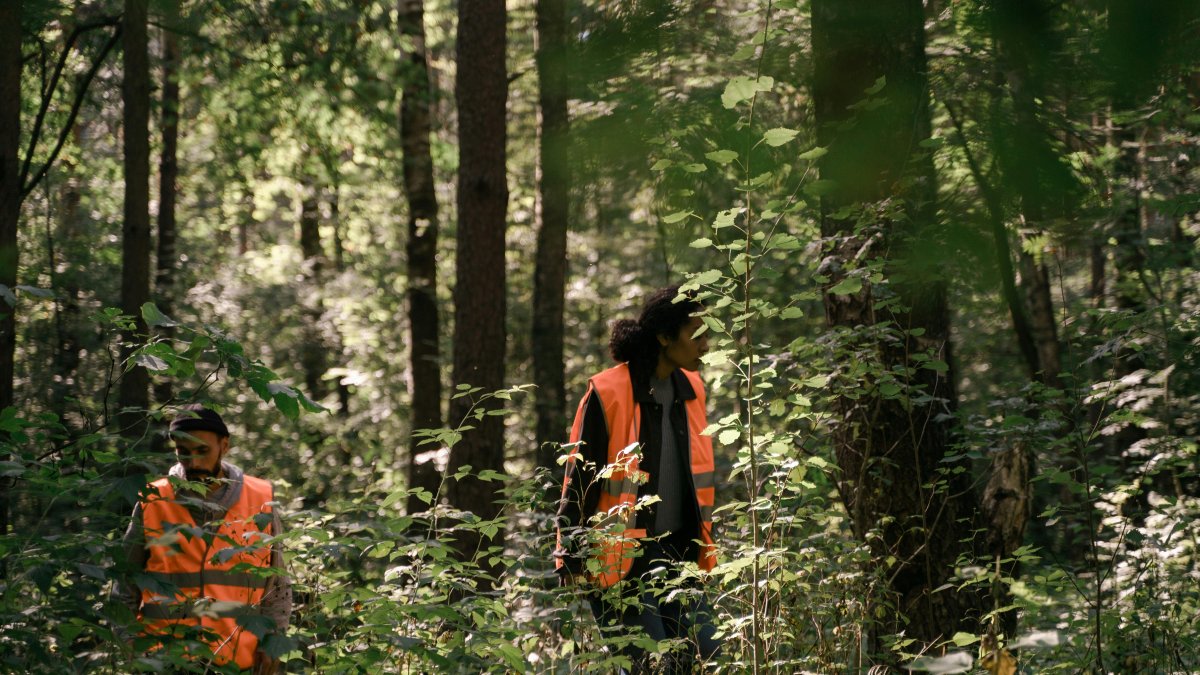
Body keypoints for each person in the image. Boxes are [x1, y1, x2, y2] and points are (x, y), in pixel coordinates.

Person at [555, 286, 720, 672]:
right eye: (696, 334)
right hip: (619, 559)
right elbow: (578, 479)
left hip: (681, 552)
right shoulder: (608, 391)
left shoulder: (692, 388)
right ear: (665, 337)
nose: (705, 344)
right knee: (650, 666)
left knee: (704, 658)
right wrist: (570, 556)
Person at [115, 404, 292, 674]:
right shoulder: (154, 500)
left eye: (202, 451)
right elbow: (125, 584)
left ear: (225, 445)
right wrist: (129, 647)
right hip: (164, 661)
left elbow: (277, 584)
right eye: (183, 452)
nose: (193, 462)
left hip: (239, 662)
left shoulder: (260, 499)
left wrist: (273, 642)